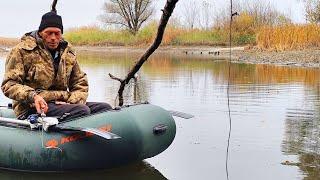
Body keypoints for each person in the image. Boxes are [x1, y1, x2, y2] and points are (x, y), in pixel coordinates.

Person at [1, 11, 112, 120]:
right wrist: (33, 96)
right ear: (40, 32)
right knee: (82, 111)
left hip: (63, 102)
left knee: (105, 108)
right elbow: (9, 84)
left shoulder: (68, 53)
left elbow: (80, 82)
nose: (53, 37)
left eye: (57, 33)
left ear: (61, 34)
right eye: (49, 33)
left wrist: (71, 101)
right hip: (31, 106)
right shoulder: (21, 51)